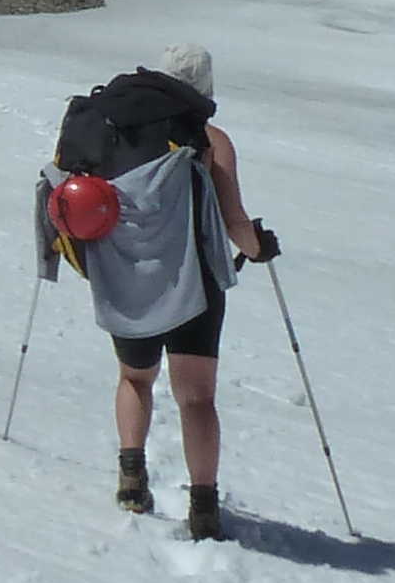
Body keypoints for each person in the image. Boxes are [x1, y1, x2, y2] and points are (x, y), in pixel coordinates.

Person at [54, 42, 276, 541]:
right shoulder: (209, 138)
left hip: (123, 277)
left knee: (135, 378)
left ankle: (132, 478)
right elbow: (235, 220)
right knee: (197, 398)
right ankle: (203, 507)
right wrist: (259, 249)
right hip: (193, 282)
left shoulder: (108, 126)